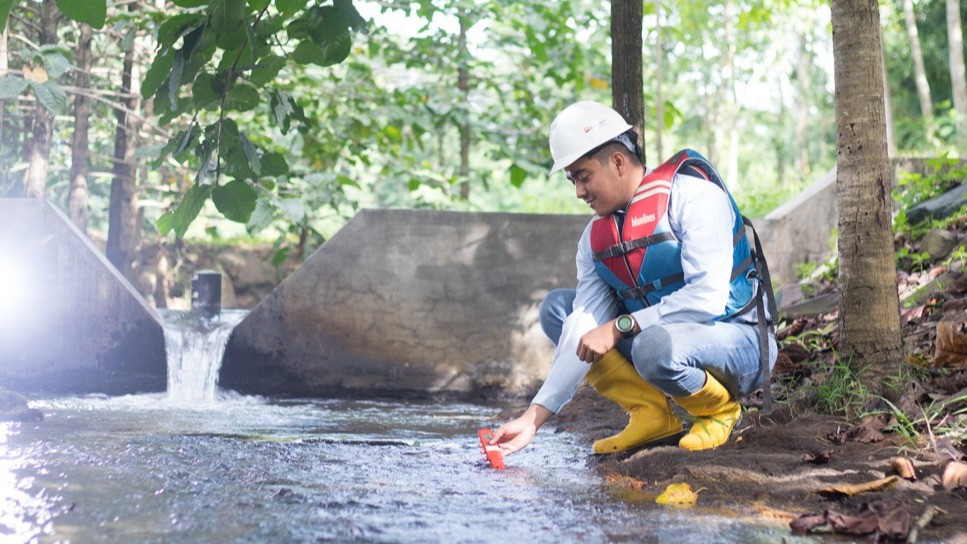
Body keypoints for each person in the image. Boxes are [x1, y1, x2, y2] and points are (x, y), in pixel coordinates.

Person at [491, 101, 777, 456]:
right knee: (560, 311)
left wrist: (619, 327)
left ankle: (719, 409)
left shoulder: (696, 197)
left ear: (617, 162)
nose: (578, 192)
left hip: (738, 343)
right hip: (662, 343)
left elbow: (707, 299)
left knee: (650, 346)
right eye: (572, 180)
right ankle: (651, 415)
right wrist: (532, 419)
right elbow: (583, 325)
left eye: (583, 176)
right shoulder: (593, 240)